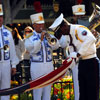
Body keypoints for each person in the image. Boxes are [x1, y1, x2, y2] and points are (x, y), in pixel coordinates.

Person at [49, 13, 99, 100]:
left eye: (61, 31)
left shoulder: (79, 29)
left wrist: (78, 54)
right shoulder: (68, 35)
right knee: (83, 93)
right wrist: (70, 61)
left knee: (92, 93)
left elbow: (91, 39)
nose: (62, 34)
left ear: (64, 26)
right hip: (82, 63)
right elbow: (72, 50)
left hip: (91, 62)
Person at [24, 12, 60, 100]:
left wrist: (49, 38)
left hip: (48, 65)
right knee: (37, 91)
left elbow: (56, 46)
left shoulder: (49, 34)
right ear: (34, 25)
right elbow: (33, 50)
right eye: (39, 24)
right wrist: (40, 39)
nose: (41, 25)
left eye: (42, 23)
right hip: (37, 66)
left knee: (47, 90)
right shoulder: (29, 38)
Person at [0, 4, 19, 100]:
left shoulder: (7, 32)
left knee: (6, 90)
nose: (0, 19)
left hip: (6, 64)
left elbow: (12, 50)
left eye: (1, 16)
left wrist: (14, 65)